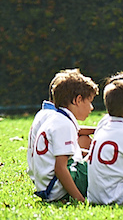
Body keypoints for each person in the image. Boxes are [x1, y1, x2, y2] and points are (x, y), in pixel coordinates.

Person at [27, 69, 98, 202]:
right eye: (89, 102)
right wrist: (80, 199)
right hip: (55, 189)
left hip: (48, 187)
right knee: (108, 168)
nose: (92, 107)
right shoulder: (64, 124)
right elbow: (60, 168)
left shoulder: (57, 119)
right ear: (78, 100)